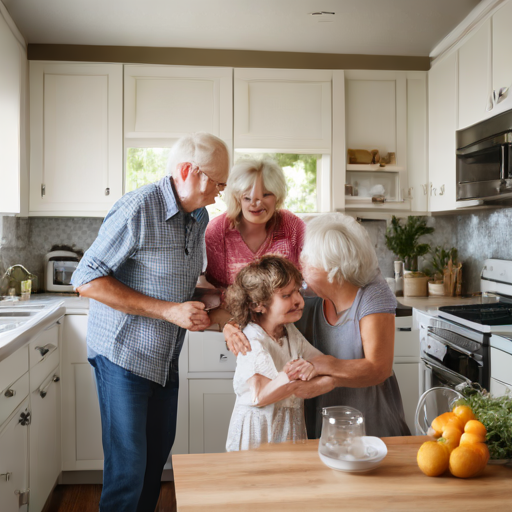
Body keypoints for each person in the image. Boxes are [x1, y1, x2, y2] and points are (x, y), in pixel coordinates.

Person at [71, 133, 229, 512]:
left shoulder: (199, 216)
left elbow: (175, 282)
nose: (221, 193)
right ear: (189, 171)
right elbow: (85, 279)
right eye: (218, 182)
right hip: (122, 357)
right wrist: (169, 311)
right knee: (128, 472)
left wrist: (215, 298)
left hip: (163, 359)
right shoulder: (137, 209)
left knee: (154, 463)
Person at [225, 213, 410, 438]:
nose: (301, 264)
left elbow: (379, 368)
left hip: (369, 424)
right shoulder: (306, 289)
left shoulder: (373, 294)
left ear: (334, 270)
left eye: (309, 260)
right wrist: (233, 325)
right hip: (316, 428)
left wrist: (324, 368)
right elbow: (257, 301)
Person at [224, 255, 334, 452]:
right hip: (258, 433)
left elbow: (321, 361)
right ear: (257, 304)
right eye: (286, 296)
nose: (299, 301)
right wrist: (292, 374)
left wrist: (314, 366)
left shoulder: (289, 331)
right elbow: (260, 396)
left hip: (287, 427)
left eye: (297, 291)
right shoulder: (251, 340)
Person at [205, 157, 305, 329]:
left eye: (266, 195)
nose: (255, 204)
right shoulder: (218, 230)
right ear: (237, 198)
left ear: (277, 196)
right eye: (247, 197)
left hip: (287, 325)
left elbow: (306, 278)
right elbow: (215, 289)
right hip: (235, 324)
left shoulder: (292, 226)